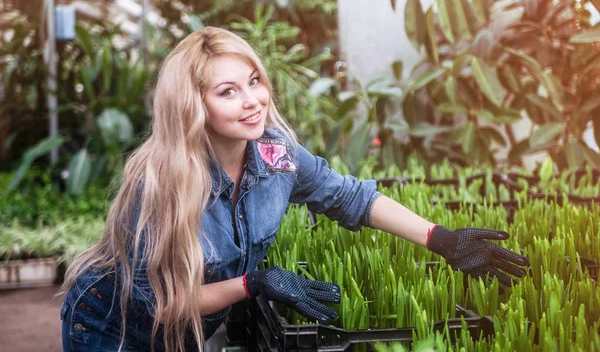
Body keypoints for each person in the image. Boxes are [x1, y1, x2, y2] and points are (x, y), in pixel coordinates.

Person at [59, 27, 529, 352]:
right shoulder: (161, 182)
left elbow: (348, 197)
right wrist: (253, 283)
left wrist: (439, 238)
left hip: (190, 329)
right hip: (112, 323)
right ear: (192, 106)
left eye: (254, 81)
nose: (253, 101)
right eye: (228, 91)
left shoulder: (272, 153)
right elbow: (163, 303)